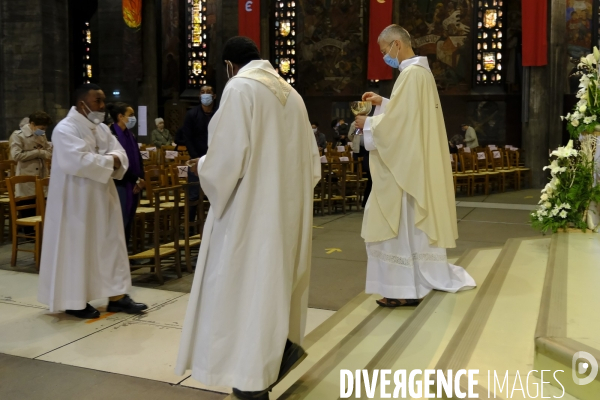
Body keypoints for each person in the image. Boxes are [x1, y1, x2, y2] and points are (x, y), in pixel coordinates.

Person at [176, 37, 321, 400]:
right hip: (286, 217)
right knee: (272, 291)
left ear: (229, 65)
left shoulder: (241, 89)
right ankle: (266, 368)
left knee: (244, 290)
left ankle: (249, 377)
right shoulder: (293, 96)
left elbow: (226, 160)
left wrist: (202, 165)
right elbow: (313, 167)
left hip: (250, 216)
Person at [354, 25, 475, 308]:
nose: (386, 57)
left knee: (393, 225)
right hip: (414, 162)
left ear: (397, 44)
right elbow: (407, 113)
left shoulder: (410, 75)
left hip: (403, 170)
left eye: (385, 51)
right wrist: (383, 102)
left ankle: (402, 288)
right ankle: (411, 283)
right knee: (406, 227)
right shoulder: (420, 73)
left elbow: (400, 124)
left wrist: (368, 124)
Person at [37, 83, 147, 319]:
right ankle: (74, 300)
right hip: (76, 201)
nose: (102, 106)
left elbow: (121, 154)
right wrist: (110, 162)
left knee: (111, 245)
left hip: (103, 197)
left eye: (103, 100)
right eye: (97, 101)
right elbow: (77, 162)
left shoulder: (102, 130)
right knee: (79, 248)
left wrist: (110, 160)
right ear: (82, 104)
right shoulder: (65, 129)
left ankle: (117, 297)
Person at [107, 102, 146, 245]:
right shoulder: (111, 135)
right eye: (131, 115)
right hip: (119, 182)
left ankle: (126, 256)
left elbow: (138, 157)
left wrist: (141, 178)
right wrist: (135, 178)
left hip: (134, 182)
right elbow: (117, 163)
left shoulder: (131, 135)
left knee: (129, 218)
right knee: (119, 219)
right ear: (120, 116)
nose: (134, 118)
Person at [181, 84, 218, 221]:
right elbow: (188, 137)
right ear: (199, 96)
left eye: (208, 92)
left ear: (214, 96)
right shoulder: (192, 114)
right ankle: (190, 229)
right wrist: (196, 158)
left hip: (215, 160)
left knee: (215, 196)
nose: (205, 94)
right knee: (193, 195)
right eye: (203, 92)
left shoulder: (219, 113)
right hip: (196, 159)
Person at [10, 111, 53, 198]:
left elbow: (49, 152)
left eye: (45, 129)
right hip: (26, 175)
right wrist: (37, 152)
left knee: (42, 206)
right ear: (32, 124)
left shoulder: (41, 134)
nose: (43, 131)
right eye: (41, 128)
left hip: (42, 174)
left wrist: (43, 153)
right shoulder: (18, 135)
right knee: (28, 205)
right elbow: (16, 155)